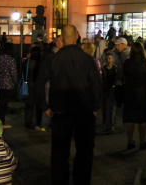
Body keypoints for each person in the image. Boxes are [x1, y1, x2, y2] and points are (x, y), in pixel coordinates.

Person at [36, 25, 102, 185]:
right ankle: (81, 180)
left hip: (60, 112)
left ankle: (60, 181)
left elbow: (40, 83)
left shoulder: (53, 59)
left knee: (59, 153)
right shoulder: (87, 59)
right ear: (77, 36)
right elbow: (97, 85)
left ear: (63, 38)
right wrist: (95, 107)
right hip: (83, 111)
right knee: (85, 151)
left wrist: (45, 107)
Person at [122, 42, 146, 150]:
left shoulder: (127, 63)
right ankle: (142, 142)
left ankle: (130, 141)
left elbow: (123, 75)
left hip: (130, 94)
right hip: (144, 94)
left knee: (130, 119)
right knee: (143, 120)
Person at [0, 42, 18, 128]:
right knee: (4, 105)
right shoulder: (10, 60)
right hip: (8, 85)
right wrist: (15, 82)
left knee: (0, 104)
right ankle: (1, 122)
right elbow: (13, 73)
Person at [23, 46, 43, 130]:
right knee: (38, 104)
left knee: (29, 105)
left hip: (28, 84)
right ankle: (38, 122)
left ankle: (28, 122)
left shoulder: (27, 62)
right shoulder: (40, 63)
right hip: (38, 85)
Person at [99, 52, 119, 134]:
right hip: (105, 90)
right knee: (105, 107)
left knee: (112, 107)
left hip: (112, 89)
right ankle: (106, 122)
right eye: (107, 58)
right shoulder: (103, 69)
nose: (108, 60)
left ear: (112, 59)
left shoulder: (115, 68)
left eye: (110, 58)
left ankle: (111, 123)